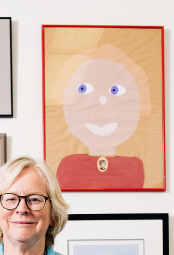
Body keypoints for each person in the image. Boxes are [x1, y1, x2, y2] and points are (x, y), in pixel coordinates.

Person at [52, 45, 152, 190]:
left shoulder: (134, 168)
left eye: (116, 90)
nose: (102, 101)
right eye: (83, 89)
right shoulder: (68, 167)